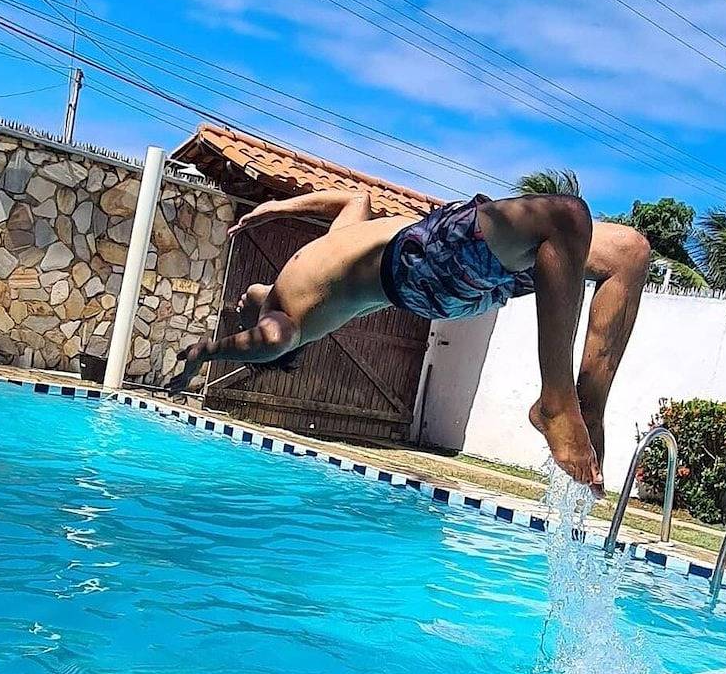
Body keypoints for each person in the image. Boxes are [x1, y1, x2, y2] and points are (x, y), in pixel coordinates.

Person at [167, 190, 650, 496]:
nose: (239, 305)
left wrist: (280, 206)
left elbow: (352, 199)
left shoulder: (315, 255)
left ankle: (588, 405)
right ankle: (556, 404)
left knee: (628, 251)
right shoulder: (285, 322)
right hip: (417, 267)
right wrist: (201, 354)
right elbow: (261, 343)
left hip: (443, 259)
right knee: (564, 217)